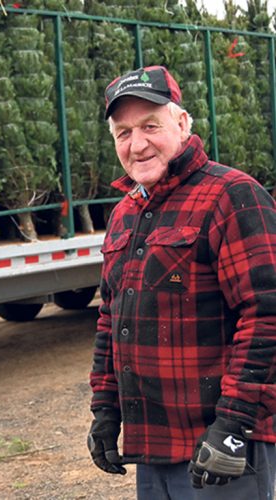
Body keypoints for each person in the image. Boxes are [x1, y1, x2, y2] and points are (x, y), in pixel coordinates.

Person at [88, 65, 276, 499]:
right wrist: (105, 410)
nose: (137, 145)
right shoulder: (125, 214)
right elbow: (110, 320)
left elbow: (266, 312)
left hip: (223, 450)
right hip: (153, 449)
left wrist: (232, 423)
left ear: (183, 122)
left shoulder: (232, 196)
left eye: (150, 126)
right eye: (123, 132)